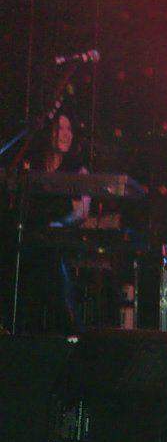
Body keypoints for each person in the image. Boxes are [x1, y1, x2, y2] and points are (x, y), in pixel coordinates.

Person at [19, 113, 90, 334]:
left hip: (61, 242)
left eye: (70, 129)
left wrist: (58, 225)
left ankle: (69, 328)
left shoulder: (77, 169)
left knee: (54, 260)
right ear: (49, 132)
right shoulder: (33, 165)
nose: (66, 134)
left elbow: (82, 212)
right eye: (61, 128)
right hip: (32, 241)